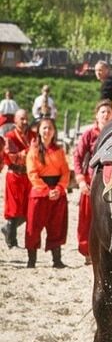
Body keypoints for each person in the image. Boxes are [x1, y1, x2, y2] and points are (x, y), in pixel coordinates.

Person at [25, 117, 70, 268]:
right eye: (44, 128)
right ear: (38, 130)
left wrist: (58, 188)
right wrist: (46, 191)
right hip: (39, 193)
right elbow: (32, 173)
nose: (47, 131)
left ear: (54, 131)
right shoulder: (34, 151)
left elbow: (65, 172)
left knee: (56, 226)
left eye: (50, 128)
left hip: (57, 193)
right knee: (33, 227)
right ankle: (31, 260)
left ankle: (56, 259)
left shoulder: (59, 151)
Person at [73, 99, 112, 262]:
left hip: (111, 182)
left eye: (109, 112)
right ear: (96, 115)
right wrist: (81, 180)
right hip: (91, 183)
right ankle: (87, 251)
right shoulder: (89, 134)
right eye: (103, 111)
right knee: (86, 219)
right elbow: (77, 156)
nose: (106, 114)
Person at [1, 109, 35, 248]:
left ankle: (6, 229)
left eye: (26, 118)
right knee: (14, 209)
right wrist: (29, 152)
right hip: (14, 176)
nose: (25, 122)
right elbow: (12, 157)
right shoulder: (9, 136)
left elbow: (38, 151)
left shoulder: (32, 135)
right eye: (22, 119)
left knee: (28, 208)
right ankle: (11, 239)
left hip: (29, 175)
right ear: (15, 120)